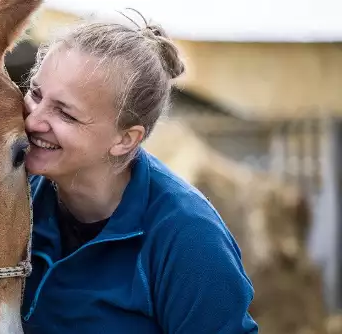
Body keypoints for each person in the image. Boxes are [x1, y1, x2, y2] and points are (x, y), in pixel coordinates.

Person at [20, 11, 259, 334]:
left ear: (125, 139)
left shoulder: (188, 239)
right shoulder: (14, 197)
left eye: (65, 113)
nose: (34, 121)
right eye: (36, 94)